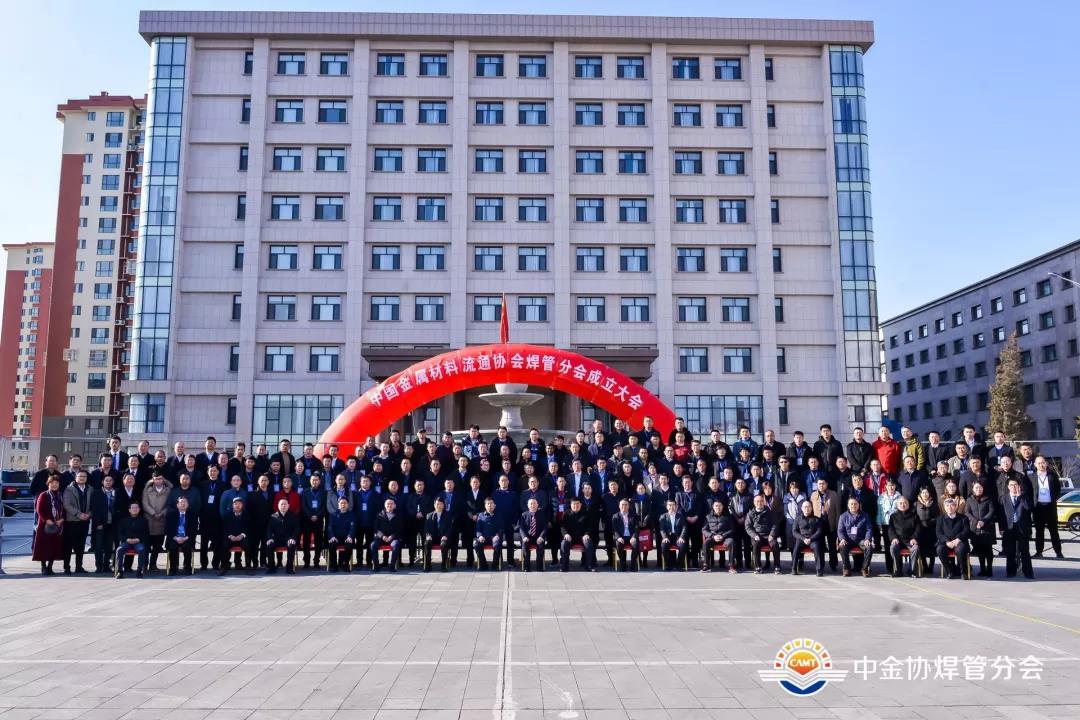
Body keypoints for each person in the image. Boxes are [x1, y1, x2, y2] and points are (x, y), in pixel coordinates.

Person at [62, 470, 95, 574]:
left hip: (85, 522)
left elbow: (93, 504)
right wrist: (79, 514)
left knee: (80, 546)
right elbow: (67, 505)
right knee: (68, 546)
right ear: (75, 478)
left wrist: (89, 514)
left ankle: (79, 567)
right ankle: (67, 567)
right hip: (72, 521)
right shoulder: (69, 489)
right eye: (80, 476)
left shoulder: (90, 489)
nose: (82, 478)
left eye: (84, 476)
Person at [1031, 456, 1064, 559]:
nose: (1041, 465)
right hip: (1038, 507)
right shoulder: (1031, 477)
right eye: (1039, 463)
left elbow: (1058, 489)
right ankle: (1039, 552)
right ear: (1035, 465)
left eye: (1043, 463)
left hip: (1050, 507)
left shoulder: (1052, 475)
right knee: (1039, 531)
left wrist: (1054, 499)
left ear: (1046, 463)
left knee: (1054, 531)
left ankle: (1058, 552)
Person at [32, 476, 65, 575]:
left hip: (57, 524)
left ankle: (50, 567)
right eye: (52, 483)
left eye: (56, 483)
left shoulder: (60, 495)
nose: (54, 485)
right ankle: (43, 567)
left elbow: (64, 509)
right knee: (44, 546)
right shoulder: (43, 495)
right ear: (48, 484)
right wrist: (47, 520)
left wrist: (62, 519)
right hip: (44, 525)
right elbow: (39, 509)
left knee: (54, 546)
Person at [1002, 478, 1034, 579]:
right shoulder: (1004, 498)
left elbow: (1028, 508)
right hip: (1010, 527)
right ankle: (1010, 571)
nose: (1014, 487)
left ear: (1019, 486)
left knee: (1025, 551)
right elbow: (1001, 514)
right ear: (1008, 487)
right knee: (1010, 551)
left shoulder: (1024, 496)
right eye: (1011, 485)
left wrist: (1020, 497)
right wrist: (1002, 528)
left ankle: (1028, 572)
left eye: (1016, 485)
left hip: (1022, 527)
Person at [836, 497, 874, 577]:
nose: (853, 506)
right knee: (842, 546)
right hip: (848, 539)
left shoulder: (865, 515)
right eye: (851, 504)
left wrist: (867, 539)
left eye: (855, 504)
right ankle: (847, 569)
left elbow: (869, 529)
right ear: (848, 505)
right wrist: (842, 539)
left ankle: (864, 569)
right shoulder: (843, 516)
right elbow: (840, 530)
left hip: (861, 539)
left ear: (858, 505)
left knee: (869, 547)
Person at [965, 481, 996, 577]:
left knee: (988, 550)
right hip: (975, 529)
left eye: (980, 488)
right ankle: (982, 569)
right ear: (973, 489)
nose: (978, 490)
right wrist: (976, 521)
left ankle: (989, 569)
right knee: (980, 550)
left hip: (987, 527)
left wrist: (983, 521)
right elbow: (967, 512)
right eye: (976, 488)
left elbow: (992, 511)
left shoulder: (988, 498)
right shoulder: (969, 499)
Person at [810, 476, 840, 572]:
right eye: (819, 484)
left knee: (832, 545)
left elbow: (838, 511)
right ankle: (821, 565)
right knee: (820, 546)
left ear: (826, 484)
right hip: (819, 524)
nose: (821, 485)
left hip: (830, 522)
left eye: (823, 483)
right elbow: (811, 511)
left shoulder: (833, 494)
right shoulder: (813, 495)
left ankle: (833, 564)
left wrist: (838, 525)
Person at [935, 498, 970, 579]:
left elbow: (966, 531)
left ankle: (963, 572)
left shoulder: (963, 518)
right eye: (947, 506)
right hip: (946, 542)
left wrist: (957, 539)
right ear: (944, 507)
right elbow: (939, 533)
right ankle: (949, 571)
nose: (949, 508)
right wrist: (947, 541)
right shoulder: (940, 519)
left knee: (960, 550)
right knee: (940, 550)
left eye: (952, 505)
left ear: (955, 506)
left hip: (959, 541)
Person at [746, 493, 780, 574]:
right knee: (756, 544)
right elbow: (748, 527)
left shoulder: (770, 512)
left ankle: (777, 566)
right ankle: (758, 566)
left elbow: (775, 524)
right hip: (757, 535)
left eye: (761, 501)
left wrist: (772, 534)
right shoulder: (750, 513)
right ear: (754, 503)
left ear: (764, 502)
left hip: (769, 535)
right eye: (757, 501)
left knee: (775, 544)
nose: (759, 503)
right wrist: (754, 535)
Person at [114, 501, 149, 579]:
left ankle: (140, 571)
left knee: (142, 549)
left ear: (139, 509)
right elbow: (120, 533)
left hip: (138, 542)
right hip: (127, 541)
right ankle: (119, 571)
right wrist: (126, 539)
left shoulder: (144, 520)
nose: (134, 509)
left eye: (136, 508)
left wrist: (138, 539)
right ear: (129, 510)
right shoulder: (123, 520)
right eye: (133, 508)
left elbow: (146, 534)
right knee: (119, 550)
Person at [560, 497, 596, 572]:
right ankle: (565, 566)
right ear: (571, 505)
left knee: (588, 543)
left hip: (582, 537)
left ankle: (589, 566)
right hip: (570, 537)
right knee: (564, 544)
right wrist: (566, 534)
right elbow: (562, 526)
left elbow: (590, 526)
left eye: (577, 504)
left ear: (581, 504)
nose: (575, 506)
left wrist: (587, 534)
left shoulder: (586, 513)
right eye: (574, 504)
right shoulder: (566, 513)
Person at [888, 496, 920, 578]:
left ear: (908, 504)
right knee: (893, 547)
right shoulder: (893, 516)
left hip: (910, 541)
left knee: (916, 548)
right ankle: (898, 570)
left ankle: (912, 570)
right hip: (898, 541)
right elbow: (891, 529)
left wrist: (914, 538)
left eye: (905, 503)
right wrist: (894, 538)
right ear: (897, 505)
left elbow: (918, 528)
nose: (903, 505)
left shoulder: (914, 516)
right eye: (901, 503)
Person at [701, 499, 737, 573]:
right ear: (713, 507)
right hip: (713, 537)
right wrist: (713, 536)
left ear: (723, 507)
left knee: (731, 542)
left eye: (720, 506)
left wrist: (723, 536)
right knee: (706, 543)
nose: (718, 507)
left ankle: (731, 566)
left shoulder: (728, 516)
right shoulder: (708, 517)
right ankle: (706, 565)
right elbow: (704, 530)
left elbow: (732, 529)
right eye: (716, 506)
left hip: (725, 537)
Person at [791, 500, 825, 577]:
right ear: (802, 508)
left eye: (809, 507)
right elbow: (794, 531)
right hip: (801, 539)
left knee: (817, 547)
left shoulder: (817, 519)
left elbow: (819, 531)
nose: (807, 509)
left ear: (811, 508)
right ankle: (793, 568)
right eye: (805, 507)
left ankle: (819, 570)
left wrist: (811, 539)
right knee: (796, 547)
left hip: (813, 540)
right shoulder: (798, 519)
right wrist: (803, 539)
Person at [300, 473, 327, 569]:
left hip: (319, 520)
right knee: (306, 542)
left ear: (319, 481)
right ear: (310, 481)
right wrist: (310, 515)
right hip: (307, 520)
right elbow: (303, 506)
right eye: (313, 480)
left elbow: (324, 506)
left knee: (318, 541)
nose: (314, 482)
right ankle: (306, 561)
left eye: (316, 480)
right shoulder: (305, 492)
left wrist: (317, 516)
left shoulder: (324, 492)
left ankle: (316, 561)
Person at [266, 498, 299, 574]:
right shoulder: (273, 516)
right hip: (276, 539)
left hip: (288, 539)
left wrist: (293, 538)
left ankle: (289, 568)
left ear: (288, 506)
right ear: (278, 506)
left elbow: (297, 529)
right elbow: (269, 529)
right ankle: (271, 568)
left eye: (285, 504)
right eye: (282, 504)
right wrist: (270, 538)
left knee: (291, 545)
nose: (283, 506)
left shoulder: (293, 516)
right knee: (269, 545)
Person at [164, 496, 196, 576]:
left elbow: (194, 529)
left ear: (188, 504)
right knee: (172, 547)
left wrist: (186, 538)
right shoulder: (170, 515)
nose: (183, 504)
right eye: (181, 502)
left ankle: (187, 567)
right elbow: (167, 529)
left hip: (187, 538)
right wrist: (176, 538)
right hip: (174, 538)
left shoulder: (192, 514)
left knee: (187, 546)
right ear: (177, 505)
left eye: (185, 502)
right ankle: (173, 568)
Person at [876, 478, 902, 573]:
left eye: (892, 485)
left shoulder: (900, 497)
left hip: (897, 524)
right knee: (887, 546)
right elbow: (879, 512)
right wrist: (879, 523)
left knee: (896, 545)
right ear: (886, 486)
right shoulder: (881, 497)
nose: (891, 487)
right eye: (889, 485)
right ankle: (890, 567)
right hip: (886, 524)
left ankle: (898, 566)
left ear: (895, 486)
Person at [221, 497, 253, 575]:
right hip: (230, 537)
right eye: (235, 504)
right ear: (232, 505)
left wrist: (241, 535)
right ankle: (224, 566)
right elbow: (224, 528)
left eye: (239, 504)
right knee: (224, 546)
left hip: (242, 537)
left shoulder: (247, 515)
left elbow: (248, 528)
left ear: (242, 505)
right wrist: (230, 536)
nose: (237, 505)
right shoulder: (227, 515)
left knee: (248, 545)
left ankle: (248, 567)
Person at [371, 497, 403, 572]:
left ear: (395, 505)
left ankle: (392, 566)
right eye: (388, 504)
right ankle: (376, 566)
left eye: (391, 504)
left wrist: (392, 536)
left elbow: (400, 529)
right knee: (373, 545)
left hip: (393, 538)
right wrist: (382, 536)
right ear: (385, 505)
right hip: (381, 538)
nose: (389, 505)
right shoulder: (379, 515)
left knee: (396, 545)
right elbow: (376, 529)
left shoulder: (398, 516)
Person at [517, 497, 548, 572]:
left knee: (541, 546)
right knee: (525, 545)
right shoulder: (524, 515)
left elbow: (545, 527)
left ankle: (539, 566)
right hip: (527, 537)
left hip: (538, 537)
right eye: (531, 504)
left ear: (537, 505)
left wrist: (541, 537)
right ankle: (526, 566)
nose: (532, 505)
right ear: (528, 505)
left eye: (534, 503)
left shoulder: (542, 515)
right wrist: (524, 537)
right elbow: (520, 528)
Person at [326, 497, 356, 572]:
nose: (343, 505)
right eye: (341, 503)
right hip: (336, 537)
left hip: (346, 537)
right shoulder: (333, 514)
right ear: (338, 504)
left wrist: (350, 536)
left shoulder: (351, 514)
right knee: (332, 545)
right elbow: (330, 527)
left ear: (348, 504)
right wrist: (332, 536)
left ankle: (345, 564)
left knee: (349, 545)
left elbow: (353, 526)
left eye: (345, 503)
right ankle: (334, 565)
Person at [424, 497, 454, 572]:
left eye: (441, 504)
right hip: (432, 538)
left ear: (444, 505)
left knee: (444, 544)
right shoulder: (429, 515)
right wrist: (428, 535)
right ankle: (428, 566)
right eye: (437, 504)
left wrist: (446, 536)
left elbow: (450, 528)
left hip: (443, 537)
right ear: (434, 505)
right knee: (427, 543)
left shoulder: (448, 515)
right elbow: (426, 528)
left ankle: (444, 566)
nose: (439, 506)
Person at [914, 486, 939, 575]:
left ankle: (931, 566)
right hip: (920, 529)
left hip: (931, 529)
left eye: (926, 492)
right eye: (923, 492)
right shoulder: (916, 504)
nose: (925, 494)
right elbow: (914, 517)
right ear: (920, 494)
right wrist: (921, 522)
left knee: (932, 548)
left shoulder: (934, 504)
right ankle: (924, 565)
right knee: (922, 548)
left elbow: (937, 517)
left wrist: (930, 521)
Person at [473, 496, 503, 571]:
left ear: (494, 505)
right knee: (476, 544)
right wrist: (480, 536)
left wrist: (497, 535)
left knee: (498, 544)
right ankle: (483, 564)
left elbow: (501, 528)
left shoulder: (499, 515)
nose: (490, 505)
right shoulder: (481, 515)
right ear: (485, 506)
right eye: (488, 504)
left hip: (494, 537)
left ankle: (495, 565)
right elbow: (478, 528)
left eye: (491, 503)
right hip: (484, 538)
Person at [657, 499, 687, 571]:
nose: (671, 507)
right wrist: (664, 537)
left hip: (678, 537)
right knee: (664, 546)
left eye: (673, 505)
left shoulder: (680, 516)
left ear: (676, 506)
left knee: (682, 546)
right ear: (667, 507)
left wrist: (681, 537)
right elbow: (662, 529)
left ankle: (679, 565)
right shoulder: (663, 516)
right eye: (669, 505)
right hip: (668, 537)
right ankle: (668, 565)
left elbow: (684, 527)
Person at [610, 498, 639, 571]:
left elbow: (636, 528)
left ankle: (633, 564)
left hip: (631, 537)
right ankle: (623, 564)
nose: (624, 506)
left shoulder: (634, 515)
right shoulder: (615, 516)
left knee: (636, 545)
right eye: (622, 505)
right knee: (618, 544)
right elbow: (614, 530)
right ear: (619, 506)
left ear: (629, 506)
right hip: (621, 537)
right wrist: (618, 537)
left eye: (626, 505)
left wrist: (634, 537)